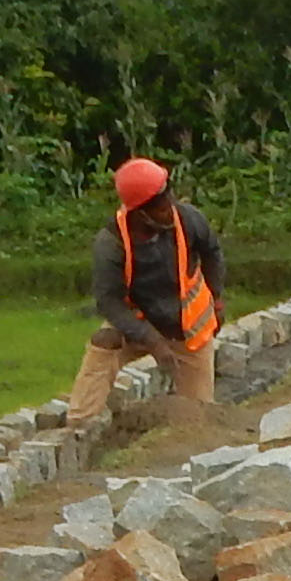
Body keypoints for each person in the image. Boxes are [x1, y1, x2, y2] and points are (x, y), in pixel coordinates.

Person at [68, 158, 223, 425]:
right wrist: (152, 341)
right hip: (138, 323)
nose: (170, 210)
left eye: (170, 199)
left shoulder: (188, 219)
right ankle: (79, 426)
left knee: (199, 418)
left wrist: (217, 300)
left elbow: (212, 252)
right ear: (140, 213)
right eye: (162, 208)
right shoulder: (112, 244)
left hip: (188, 330)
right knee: (104, 342)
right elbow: (108, 301)